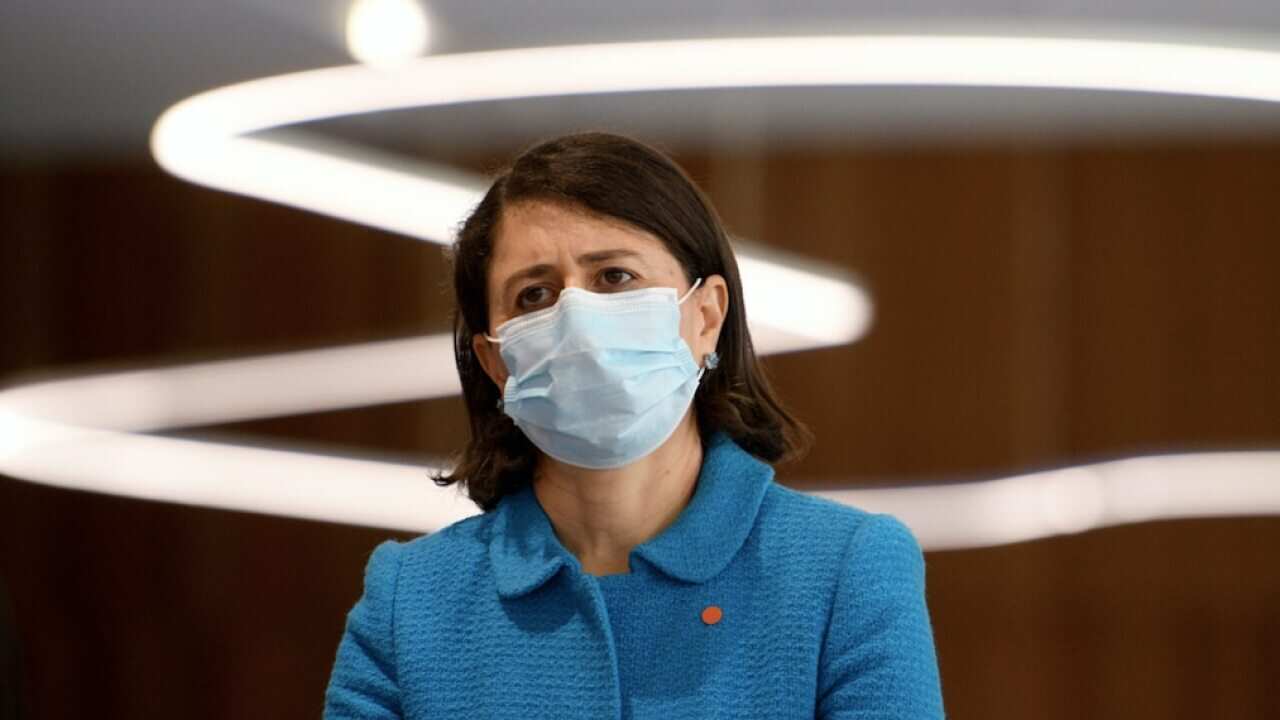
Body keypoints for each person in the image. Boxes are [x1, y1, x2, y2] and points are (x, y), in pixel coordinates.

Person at [323, 131, 945, 719]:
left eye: (614, 277)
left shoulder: (845, 571)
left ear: (705, 316)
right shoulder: (411, 603)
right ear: (495, 361)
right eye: (534, 296)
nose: (578, 319)